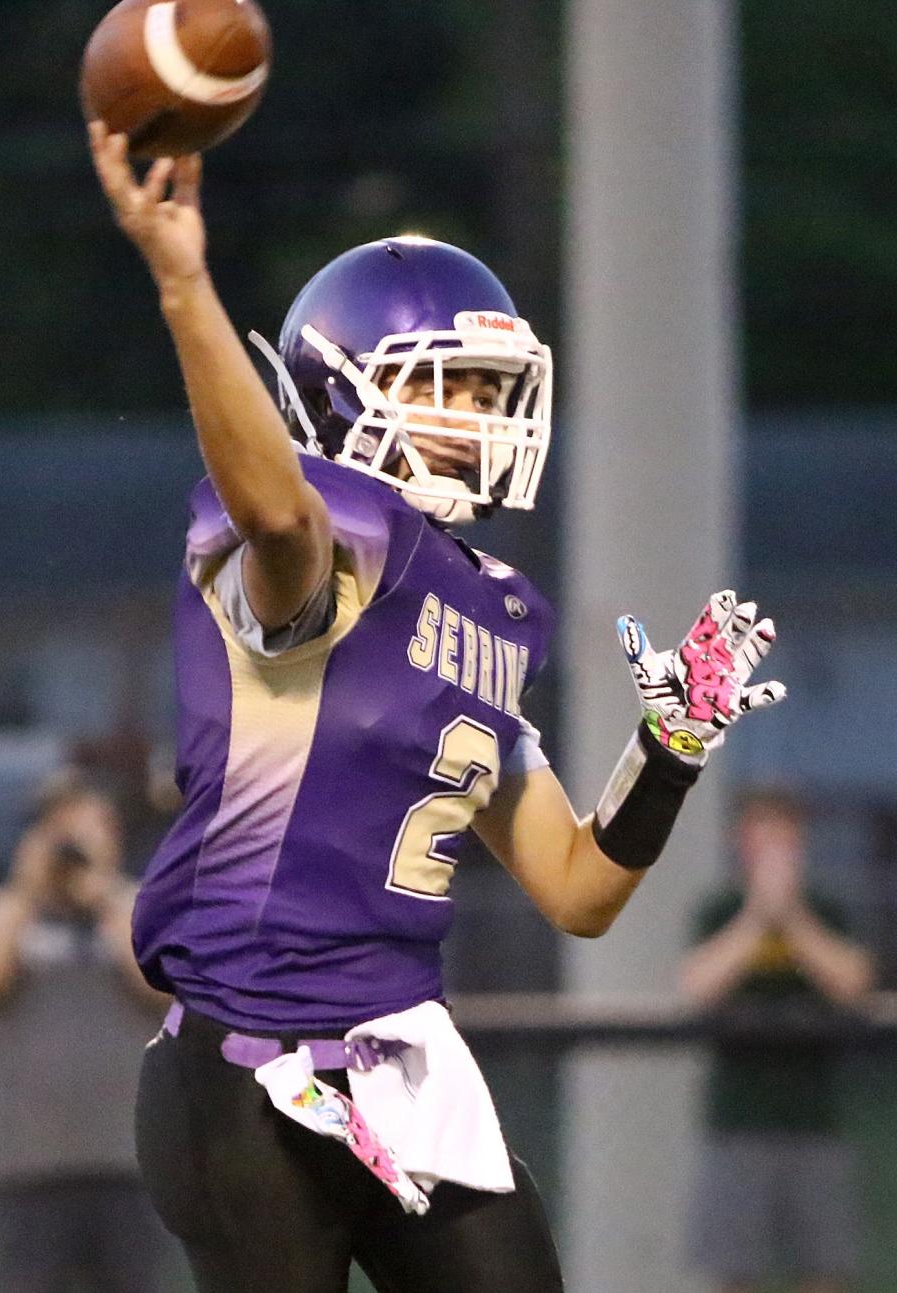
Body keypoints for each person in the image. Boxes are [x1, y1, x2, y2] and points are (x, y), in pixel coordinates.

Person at [87, 121, 787, 1293]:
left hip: (407, 1057)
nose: (479, 413)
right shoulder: (320, 533)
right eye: (448, 385)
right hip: (248, 1074)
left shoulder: (496, 606)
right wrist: (181, 281)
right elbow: (276, 517)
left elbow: (577, 891)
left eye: (489, 387)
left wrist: (666, 755)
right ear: (339, 385)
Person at [0, 769, 172, 1293]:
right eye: (58, 829)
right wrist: (27, 889)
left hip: (131, 1165)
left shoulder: (139, 909)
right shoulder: (0, 911)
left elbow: (162, 984)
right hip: (27, 1169)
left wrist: (104, 891)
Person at [681, 788, 875, 1293]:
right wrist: (757, 917)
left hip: (815, 1124)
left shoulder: (826, 911)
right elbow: (697, 987)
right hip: (737, 1123)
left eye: (783, 838)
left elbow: (853, 983)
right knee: (734, 1274)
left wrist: (790, 917)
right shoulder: (720, 911)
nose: (772, 850)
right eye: (760, 836)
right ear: (739, 842)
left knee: (825, 1271)